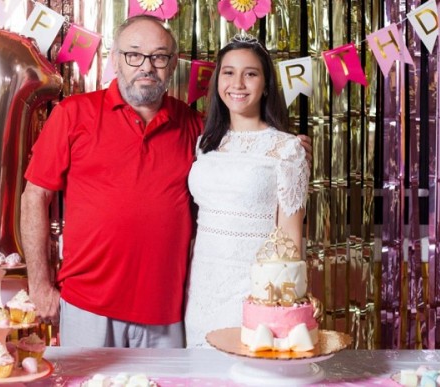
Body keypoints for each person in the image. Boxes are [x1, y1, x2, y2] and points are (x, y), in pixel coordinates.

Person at [21, 15, 311, 348]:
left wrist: (292, 153)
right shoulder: (73, 113)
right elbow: (34, 198)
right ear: (115, 59)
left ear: (172, 65)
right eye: (134, 54)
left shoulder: (196, 127)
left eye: (159, 56)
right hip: (88, 303)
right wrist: (39, 284)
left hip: (169, 310)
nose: (146, 66)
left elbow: (244, 157)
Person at [184, 34, 310, 347]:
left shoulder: (288, 148)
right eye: (228, 72)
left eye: (250, 73)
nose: (237, 83)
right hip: (202, 289)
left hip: (254, 293)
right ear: (216, 81)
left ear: (266, 84)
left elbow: (290, 239)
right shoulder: (206, 144)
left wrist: (279, 307)